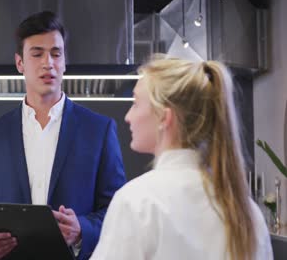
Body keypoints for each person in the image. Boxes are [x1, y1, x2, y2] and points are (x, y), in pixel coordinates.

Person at [0, 11, 126, 260]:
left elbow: (118, 210)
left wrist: (82, 229)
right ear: (20, 63)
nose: (48, 63)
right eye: (37, 54)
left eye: (56, 54)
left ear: (65, 62)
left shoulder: (98, 130)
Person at [90, 56, 273, 260]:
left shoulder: (137, 202)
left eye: (136, 103)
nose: (128, 116)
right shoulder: (248, 214)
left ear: (164, 118)